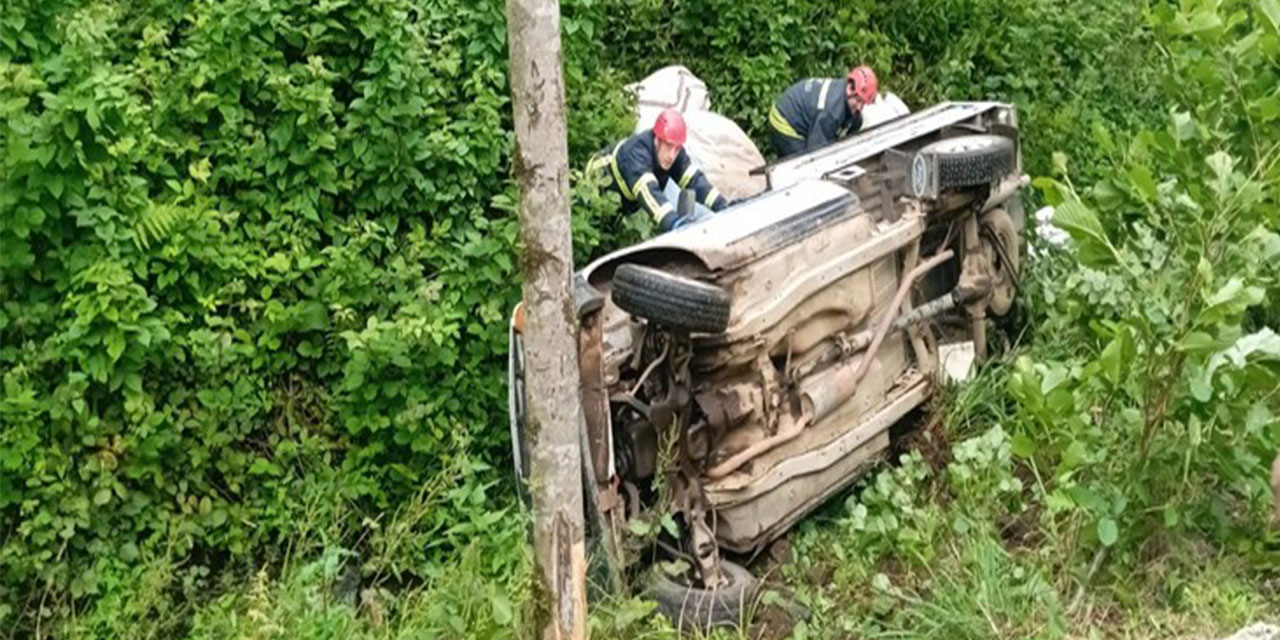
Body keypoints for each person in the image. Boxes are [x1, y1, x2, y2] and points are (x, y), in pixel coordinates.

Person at [589, 108, 732, 232]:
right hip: (593, 189)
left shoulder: (674, 154)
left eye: (676, 149)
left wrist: (722, 206)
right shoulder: (636, 154)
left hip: (622, 205)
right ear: (657, 140)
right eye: (669, 147)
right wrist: (674, 222)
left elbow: (694, 180)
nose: (672, 156)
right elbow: (649, 193)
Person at [768, 66, 878, 159]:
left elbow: (855, 122)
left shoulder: (844, 91)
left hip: (803, 112)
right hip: (784, 120)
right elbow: (817, 151)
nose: (859, 107)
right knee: (803, 165)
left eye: (863, 103)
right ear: (850, 89)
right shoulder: (831, 112)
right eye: (858, 101)